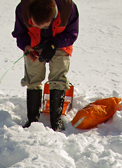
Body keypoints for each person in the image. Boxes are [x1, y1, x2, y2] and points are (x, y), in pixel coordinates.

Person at [12, 0, 79, 131]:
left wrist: (54, 44)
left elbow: (72, 33)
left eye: (45, 26)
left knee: (58, 76)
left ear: (53, 15)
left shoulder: (68, 7)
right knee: (33, 77)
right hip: (33, 45)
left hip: (60, 44)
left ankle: (56, 120)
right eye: (36, 25)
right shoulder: (23, 9)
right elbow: (20, 34)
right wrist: (26, 46)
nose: (42, 29)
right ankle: (32, 120)